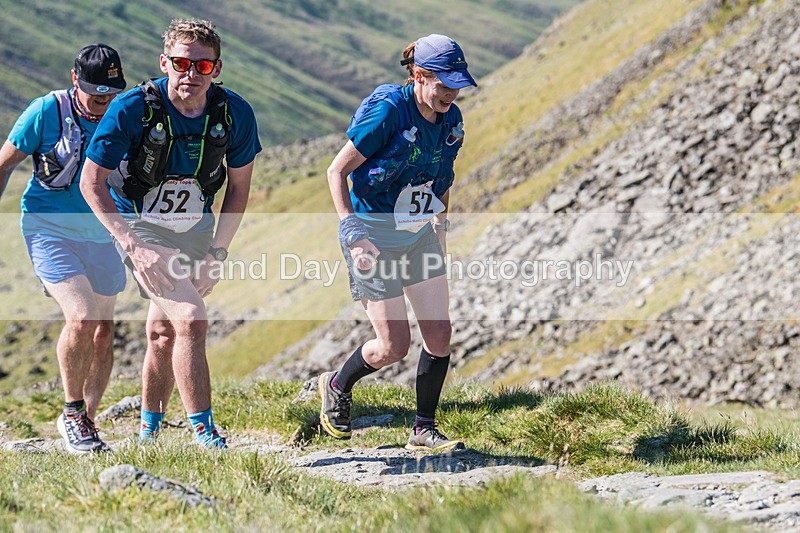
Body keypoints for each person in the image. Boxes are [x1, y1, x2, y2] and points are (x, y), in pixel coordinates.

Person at [80, 19, 261, 449]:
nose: (190, 74)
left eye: (202, 66)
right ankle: (205, 432)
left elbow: (238, 190)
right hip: (139, 227)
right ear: (165, 63)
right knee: (191, 319)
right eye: (181, 63)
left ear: (216, 69)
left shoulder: (235, 113)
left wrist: (218, 252)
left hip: (196, 227)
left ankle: (149, 433)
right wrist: (132, 245)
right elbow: (91, 182)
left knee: (163, 333)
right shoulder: (131, 108)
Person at [320, 34, 476, 451]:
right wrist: (352, 234)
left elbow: (442, 182)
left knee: (439, 334)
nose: (451, 93)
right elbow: (337, 172)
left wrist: (440, 232)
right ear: (419, 75)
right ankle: (336, 384)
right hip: (372, 236)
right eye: (443, 84)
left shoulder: (452, 120)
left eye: (456, 84)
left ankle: (423, 429)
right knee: (393, 346)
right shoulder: (389, 111)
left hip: (419, 233)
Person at [0, 44, 127, 454]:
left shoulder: (124, 112)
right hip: (48, 228)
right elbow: (4, 164)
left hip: (103, 232)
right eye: (95, 96)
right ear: (75, 80)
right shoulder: (46, 111)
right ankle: (72, 414)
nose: (103, 104)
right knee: (83, 317)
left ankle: (87, 420)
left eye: (110, 95)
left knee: (105, 331)